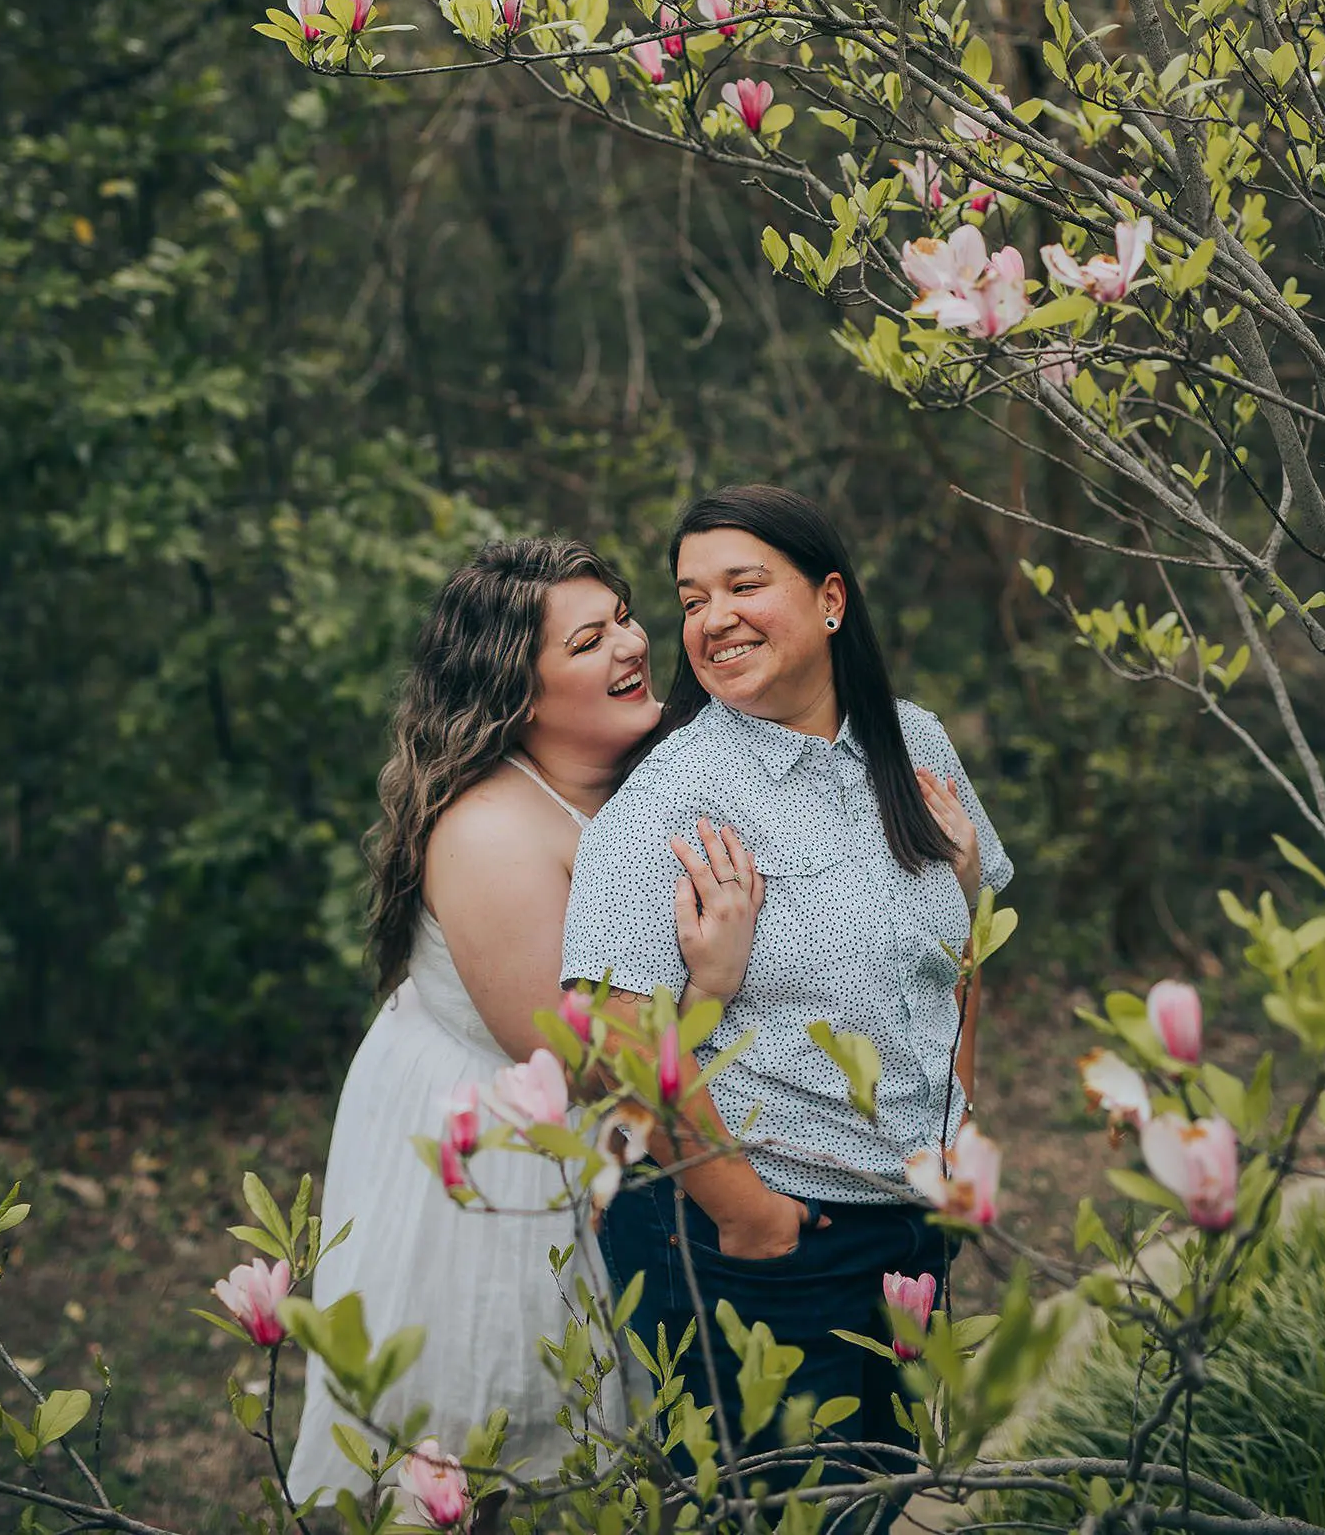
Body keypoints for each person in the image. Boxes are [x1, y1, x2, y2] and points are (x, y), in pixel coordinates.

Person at [288, 536, 764, 1507]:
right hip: (499, 1152)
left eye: (625, 616)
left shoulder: (634, 783)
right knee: (503, 1451)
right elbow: (577, 1062)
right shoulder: (492, 832)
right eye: (590, 641)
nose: (633, 644)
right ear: (520, 693)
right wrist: (713, 983)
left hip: (609, 1140)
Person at [560, 485, 1012, 1499]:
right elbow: (618, 1043)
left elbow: (968, 946)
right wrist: (748, 1214)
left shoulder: (917, 743)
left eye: (743, 585)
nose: (712, 617)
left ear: (833, 601)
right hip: (759, 1234)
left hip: (908, 1218)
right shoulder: (672, 801)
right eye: (690, 597)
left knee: (888, 1493)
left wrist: (957, 1116)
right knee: (775, 1515)